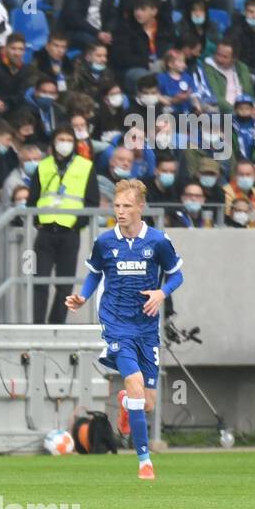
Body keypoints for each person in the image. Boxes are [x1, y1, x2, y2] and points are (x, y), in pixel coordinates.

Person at [65, 179, 183, 481]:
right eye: (117, 205)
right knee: (134, 382)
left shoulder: (157, 241)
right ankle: (145, 462)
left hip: (146, 328)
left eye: (127, 206)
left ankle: (125, 404)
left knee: (147, 402)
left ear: (140, 208)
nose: (120, 211)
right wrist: (83, 297)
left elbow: (176, 275)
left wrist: (161, 293)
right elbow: (94, 274)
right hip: (116, 324)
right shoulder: (105, 242)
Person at [32, 125, 98, 324]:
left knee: (65, 285)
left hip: (70, 233)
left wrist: (77, 224)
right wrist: (38, 222)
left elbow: (92, 201)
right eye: (61, 139)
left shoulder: (85, 166)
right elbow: (32, 199)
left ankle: (56, 326)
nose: (65, 144)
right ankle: (37, 326)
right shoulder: (43, 166)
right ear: (53, 142)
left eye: (69, 140)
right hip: (44, 233)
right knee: (39, 281)